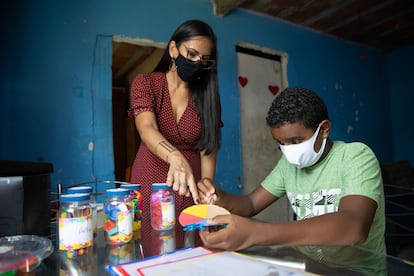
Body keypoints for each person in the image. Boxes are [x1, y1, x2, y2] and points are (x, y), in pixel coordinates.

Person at [197, 87, 386, 256]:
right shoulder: (287, 166)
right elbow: (251, 203)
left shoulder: (355, 156)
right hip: (312, 267)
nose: (288, 150)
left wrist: (256, 233)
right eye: (280, 143)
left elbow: (354, 227)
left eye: (295, 141)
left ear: (324, 129)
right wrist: (220, 197)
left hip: (359, 271)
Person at [127, 19, 222, 245]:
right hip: (149, 181)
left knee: (189, 252)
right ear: (173, 49)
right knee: (149, 249)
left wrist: (207, 186)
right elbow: (146, 127)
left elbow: (208, 147)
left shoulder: (207, 98)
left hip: (189, 190)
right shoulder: (146, 83)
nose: (197, 63)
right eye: (191, 55)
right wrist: (174, 156)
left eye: (204, 60)